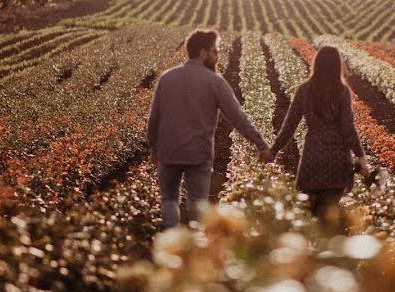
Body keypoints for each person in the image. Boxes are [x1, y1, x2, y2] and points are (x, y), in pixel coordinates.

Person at [147, 29, 270, 229]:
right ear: (203, 52)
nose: (217, 55)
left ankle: (170, 246)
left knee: (169, 199)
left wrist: (154, 148)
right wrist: (261, 144)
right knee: (198, 204)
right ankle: (197, 248)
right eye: (215, 51)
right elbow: (237, 117)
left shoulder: (167, 78)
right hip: (198, 153)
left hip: (168, 151)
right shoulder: (214, 81)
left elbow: (154, 119)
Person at [260, 45, 369, 228]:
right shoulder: (341, 91)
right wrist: (361, 157)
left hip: (313, 157)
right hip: (337, 161)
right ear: (337, 66)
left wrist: (274, 150)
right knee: (331, 214)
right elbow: (347, 128)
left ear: (316, 64)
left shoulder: (304, 90)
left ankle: (313, 251)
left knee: (311, 215)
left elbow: (290, 125)